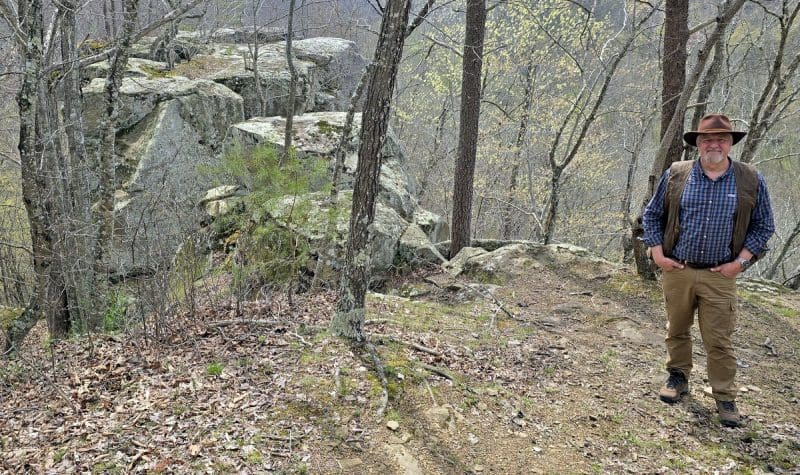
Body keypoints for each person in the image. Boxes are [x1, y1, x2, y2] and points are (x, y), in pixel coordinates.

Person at [641, 113, 775, 428]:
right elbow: (653, 214)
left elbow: (764, 226)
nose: (714, 144)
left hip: (721, 276)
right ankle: (677, 377)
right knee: (676, 328)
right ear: (698, 143)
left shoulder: (750, 179)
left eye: (721, 139)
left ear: (730, 144)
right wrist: (657, 254)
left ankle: (725, 397)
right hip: (679, 269)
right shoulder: (678, 174)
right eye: (708, 139)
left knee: (719, 339)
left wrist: (739, 263)